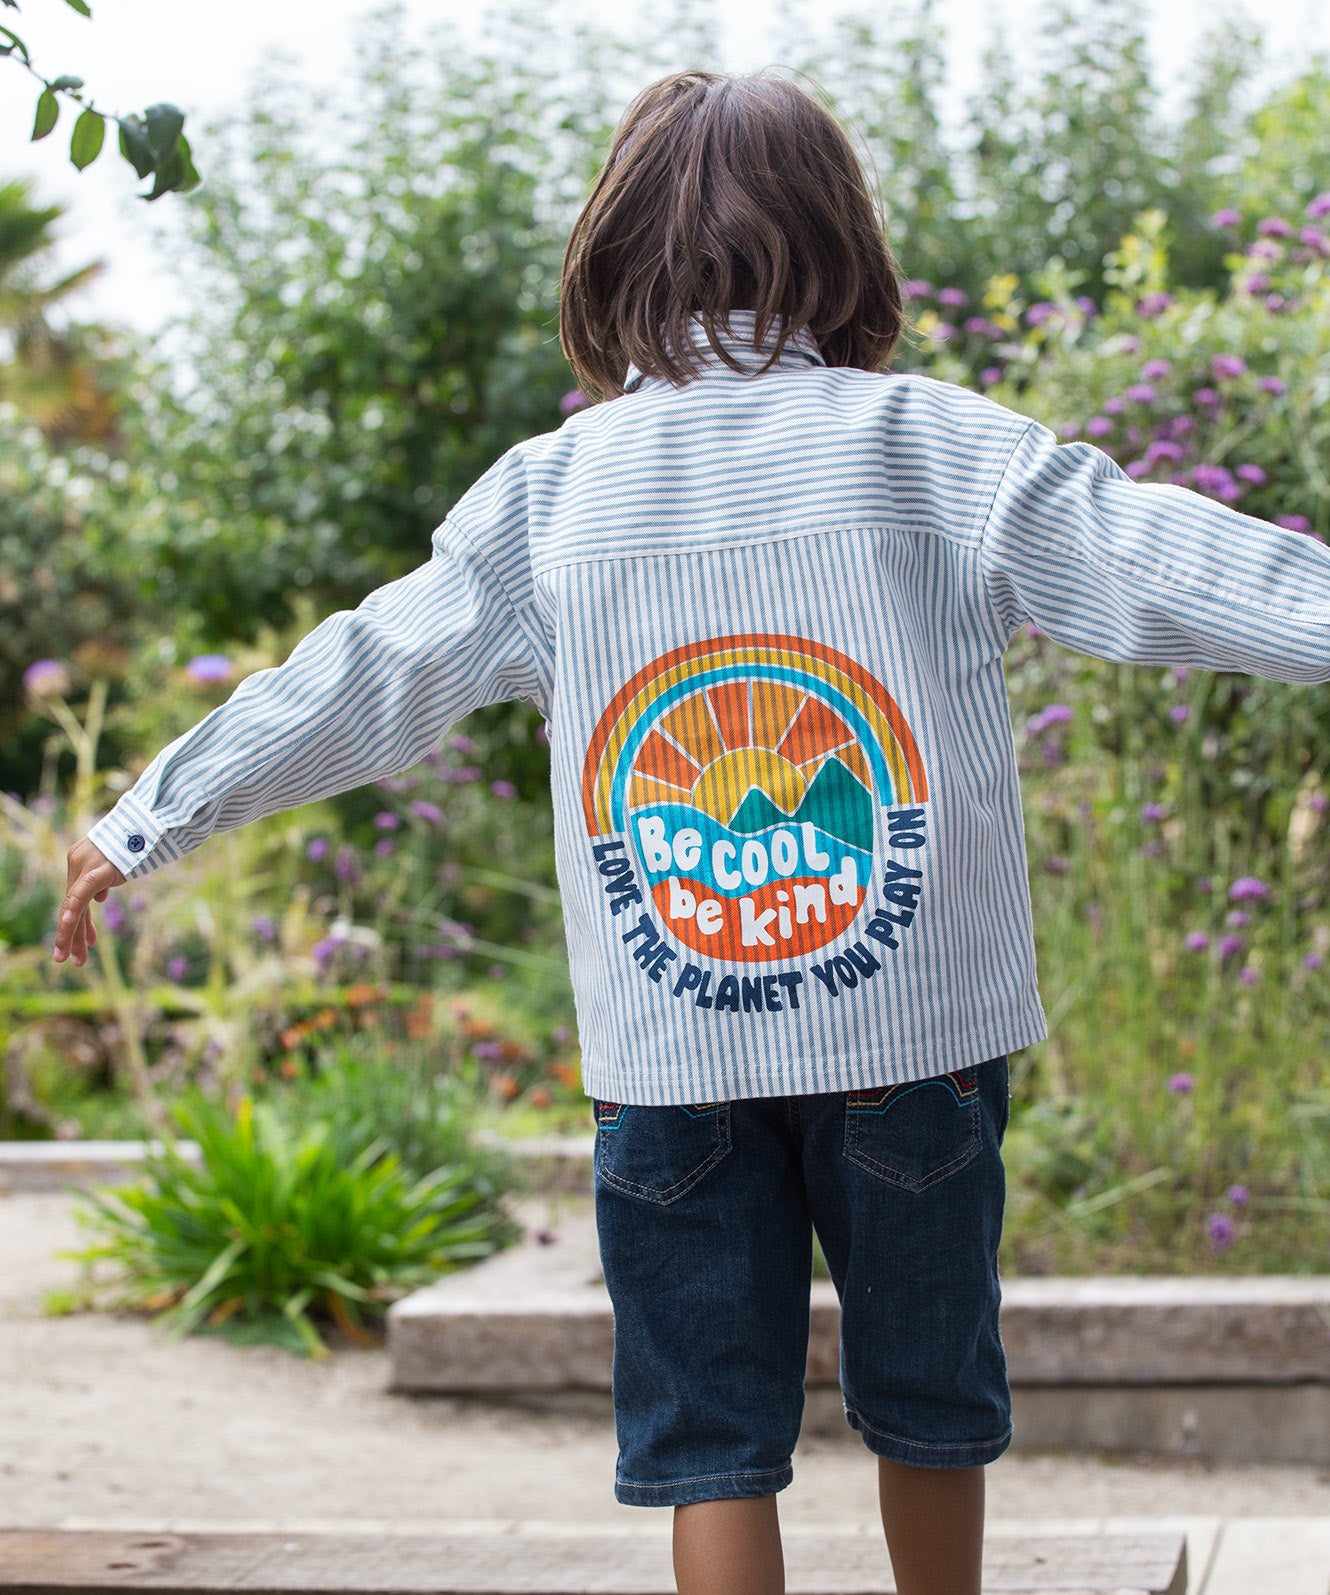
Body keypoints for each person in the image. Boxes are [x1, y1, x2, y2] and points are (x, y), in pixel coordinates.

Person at [53, 68, 1330, 1595]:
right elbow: (1163, 557)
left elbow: (370, 671)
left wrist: (158, 812)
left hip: (673, 1055)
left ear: (613, 263)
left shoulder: (551, 496)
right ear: (843, 247)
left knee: (709, 1432)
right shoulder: (939, 449)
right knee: (930, 1396)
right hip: (911, 1037)